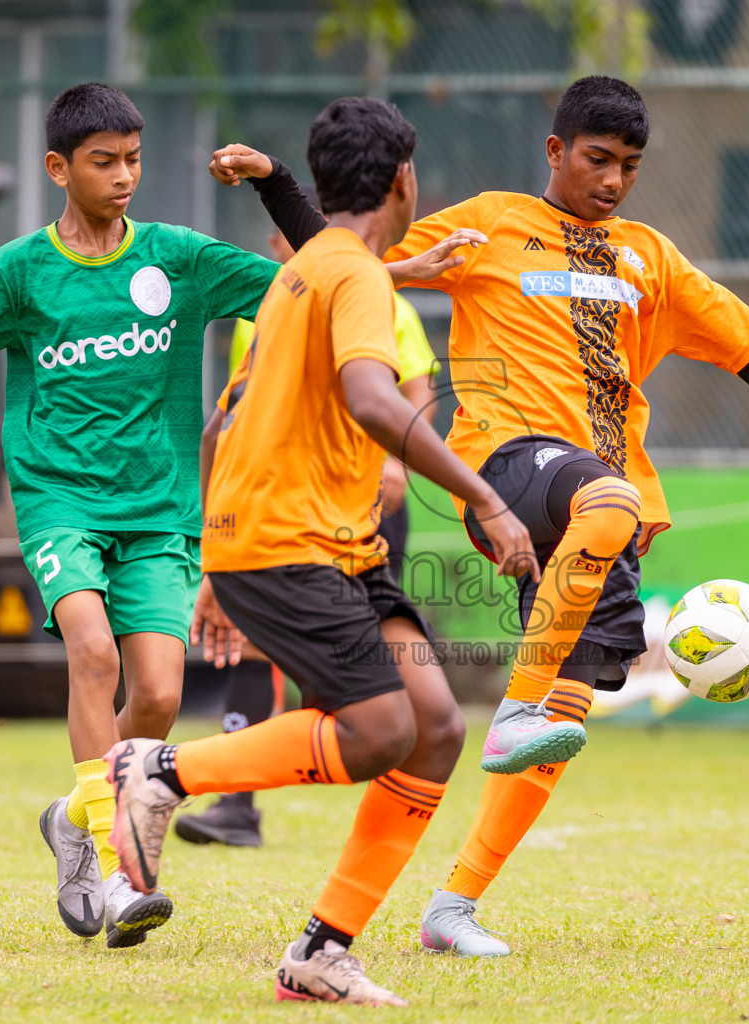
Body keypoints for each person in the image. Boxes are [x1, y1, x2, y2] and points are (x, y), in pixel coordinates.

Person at [230, 74, 749, 957]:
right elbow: (337, 249)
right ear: (556, 151)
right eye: (598, 159)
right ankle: (513, 708)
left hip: (601, 510)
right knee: (596, 526)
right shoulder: (491, 223)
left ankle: (454, 907)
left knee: (560, 723)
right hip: (509, 464)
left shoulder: (652, 259)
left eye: (630, 166)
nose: (612, 181)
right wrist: (276, 182)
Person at [0, 82, 476, 949]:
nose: (123, 176)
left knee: (161, 693)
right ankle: (111, 871)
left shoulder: (177, 257)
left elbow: (302, 285)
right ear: (59, 168)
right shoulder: (19, 271)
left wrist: (400, 272)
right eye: (104, 162)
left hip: (164, 508)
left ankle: (75, 815)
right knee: (93, 652)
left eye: (133, 160)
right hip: (62, 501)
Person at [103, 96, 538, 1007]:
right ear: (404, 181)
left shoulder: (307, 270)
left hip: (329, 545)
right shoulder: (354, 277)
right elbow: (377, 400)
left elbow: (223, 421)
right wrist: (488, 498)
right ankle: (160, 771)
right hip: (291, 544)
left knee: (435, 727)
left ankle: (320, 951)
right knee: (379, 731)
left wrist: (214, 560)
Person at [173, 227, 439, 849]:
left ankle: (365, 766)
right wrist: (220, 540)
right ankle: (232, 801)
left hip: (361, 508)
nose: (303, 245)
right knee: (255, 650)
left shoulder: (381, 300)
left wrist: (396, 461)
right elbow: (232, 422)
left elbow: (415, 389)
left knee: (369, 686)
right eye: (294, 233)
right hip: (283, 510)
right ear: (275, 242)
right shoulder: (267, 308)